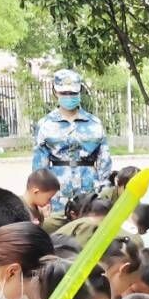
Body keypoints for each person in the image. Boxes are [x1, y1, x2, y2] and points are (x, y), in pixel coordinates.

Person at [31, 69, 111, 214]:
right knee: (58, 234)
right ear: (55, 92)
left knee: (88, 232)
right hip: (57, 194)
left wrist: (103, 193)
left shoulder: (94, 124)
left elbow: (104, 161)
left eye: (73, 93)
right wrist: (41, 201)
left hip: (89, 192)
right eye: (64, 93)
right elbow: (39, 168)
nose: (69, 97)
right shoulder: (45, 125)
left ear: (80, 91)